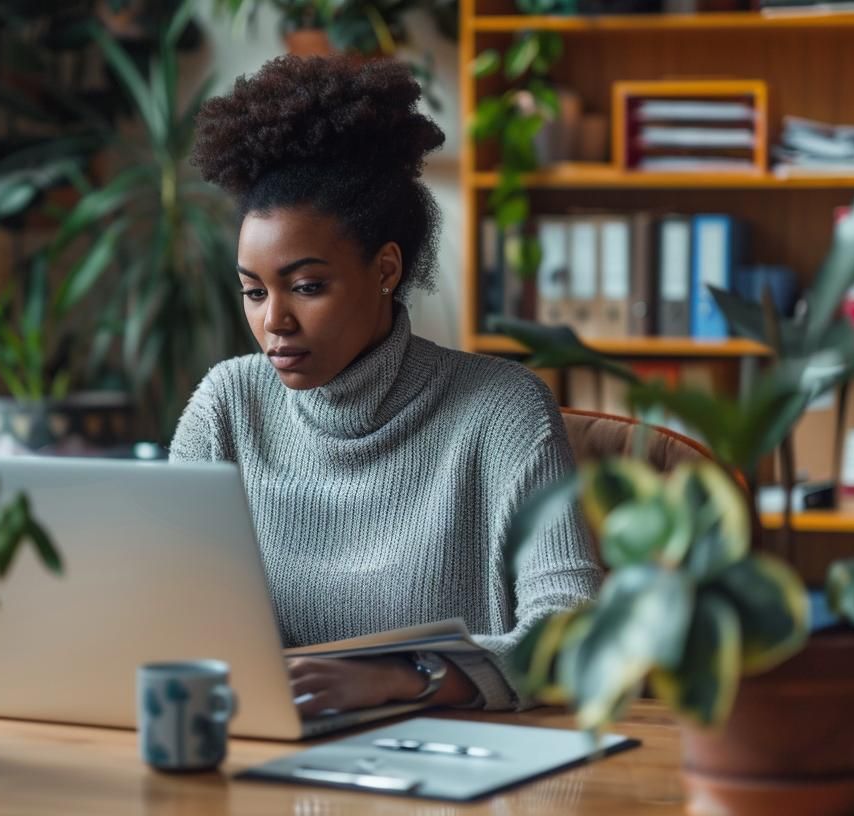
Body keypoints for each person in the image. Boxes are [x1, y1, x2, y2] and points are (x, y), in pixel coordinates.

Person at [170, 55, 599, 714]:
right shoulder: (227, 407)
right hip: (267, 750)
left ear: (386, 268)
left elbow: (574, 629)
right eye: (253, 292)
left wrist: (409, 678)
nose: (273, 320)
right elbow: (162, 609)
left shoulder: (503, 409)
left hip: (458, 765)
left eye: (307, 287)